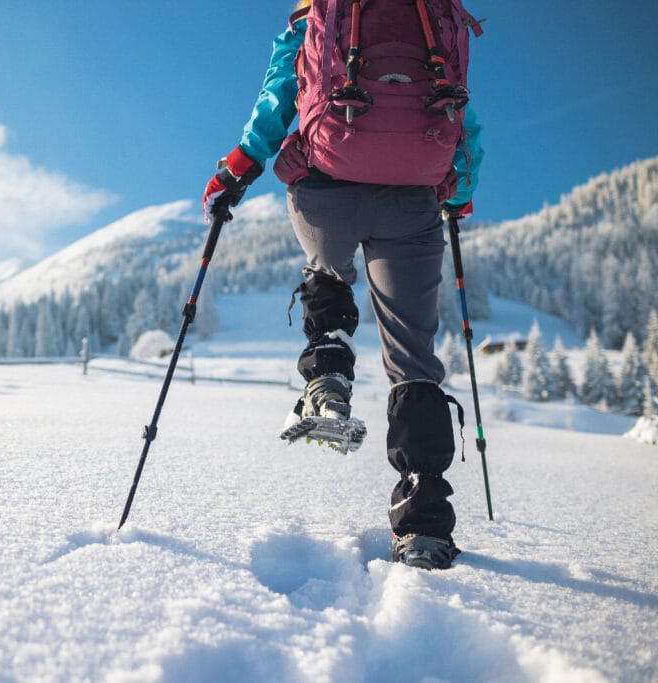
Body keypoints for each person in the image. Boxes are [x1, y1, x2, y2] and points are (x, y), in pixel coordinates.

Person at [202, 0, 484, 570]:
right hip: (413, 199)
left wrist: (239, 168)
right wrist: (457, 191)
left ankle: (328, 372)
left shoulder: (316, 10)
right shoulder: (435, 13)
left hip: (325, 186)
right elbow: (461, 113)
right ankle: (423, 522)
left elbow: (278, 96)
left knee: (327, 273)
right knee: (412, 358)